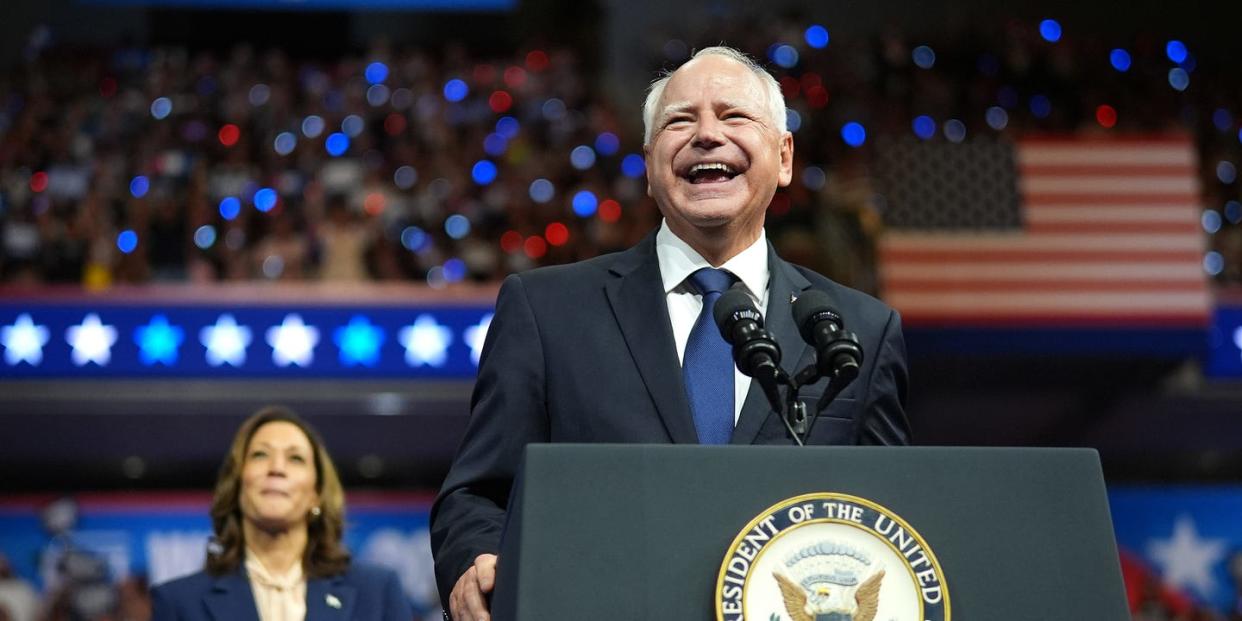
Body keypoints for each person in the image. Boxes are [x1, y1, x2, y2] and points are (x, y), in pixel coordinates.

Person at [430, 45, 910, 621]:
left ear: (784, 158)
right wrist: (472, 560)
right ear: (651, 165)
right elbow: (477, 492)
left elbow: (891, 513)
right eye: (680, 121)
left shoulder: (857, 330)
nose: (706, 135)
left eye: (733, 116)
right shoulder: (546, 311)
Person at [151, 406, 412, 621]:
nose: (276, 468)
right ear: (238, 485)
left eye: (295, 458)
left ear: (316, 493)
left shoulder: (377, 592)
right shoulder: (177, 602)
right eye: (260, 455)